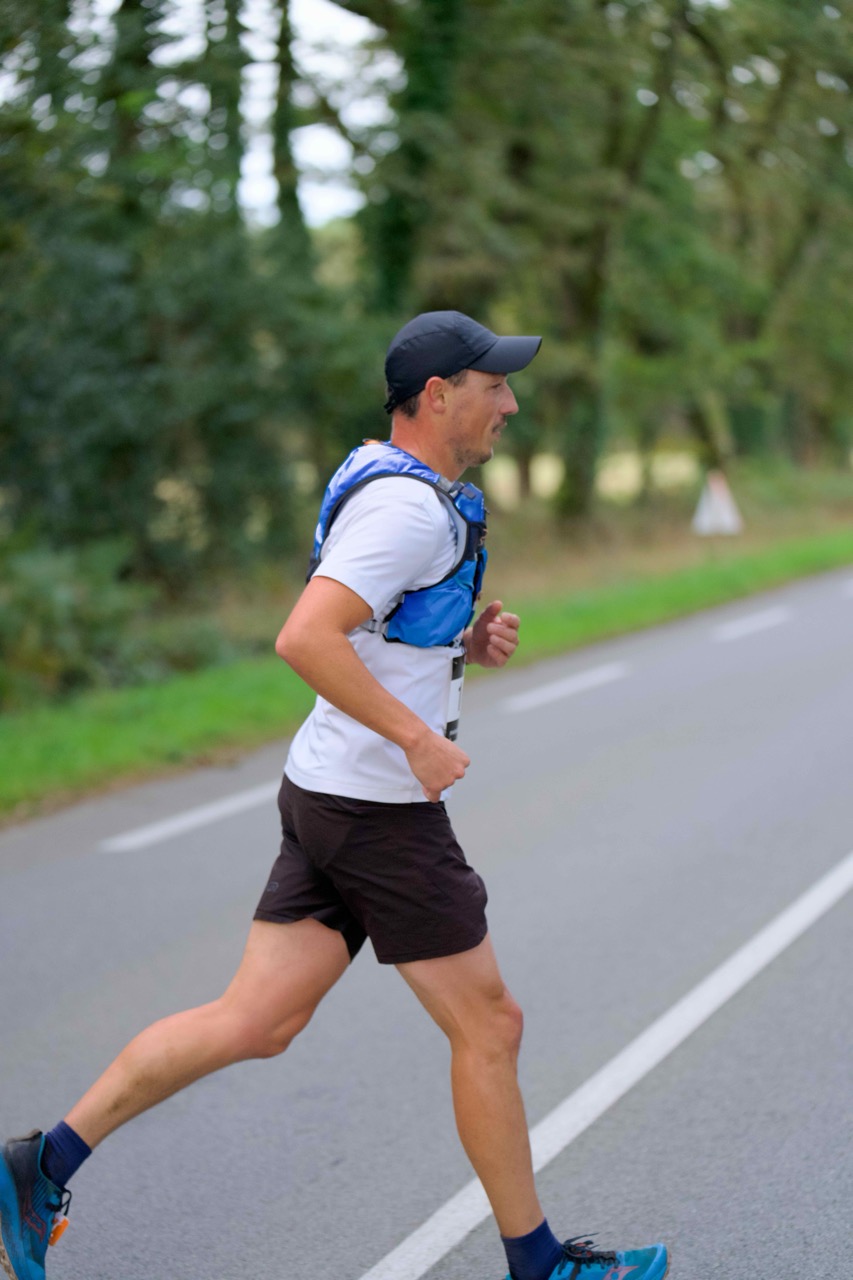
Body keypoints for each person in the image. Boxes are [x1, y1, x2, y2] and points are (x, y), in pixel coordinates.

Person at [0, 311, 669, 1280]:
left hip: (327, 789)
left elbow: (368, 626)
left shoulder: (393, 482)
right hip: (375, 809)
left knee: (256, 1021)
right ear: (436, 395)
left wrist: (457, 641)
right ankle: (540, 1264)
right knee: (490, 1024)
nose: (510, 404)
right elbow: (305, 635)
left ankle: (40, 1165)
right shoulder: (406, 509)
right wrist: (415, 737)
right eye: (493, 386)